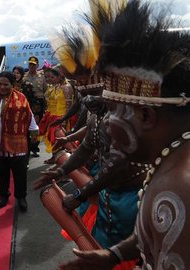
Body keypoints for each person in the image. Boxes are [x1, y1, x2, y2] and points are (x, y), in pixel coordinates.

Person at [59, 1, 190, 268]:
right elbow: (152, 230)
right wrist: (114, 255)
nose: (108, 123)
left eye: (115, 109)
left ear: (145, 116)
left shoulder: (180, 184)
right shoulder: (172, 161)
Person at [0, 71, 38, 211]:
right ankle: (3, 195)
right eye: (0, 84)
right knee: (1, 173)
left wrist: (34, 133)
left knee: (20, 174)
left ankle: (21, 197)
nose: (2, 87)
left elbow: (29, 115)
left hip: (17, 145)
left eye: (5, 84)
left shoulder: (21, 98)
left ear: (12, 85)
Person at [38, 65, 73, 164]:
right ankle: (57, 159)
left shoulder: (66, 87)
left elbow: (69, 105)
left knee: (61, 141)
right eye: (49, 77)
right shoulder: (56, 86)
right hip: (53, 116)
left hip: (62, 117)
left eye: (52, 77)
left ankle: (65, 163)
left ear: (60, 76)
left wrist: (65, 120)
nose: (50, 79)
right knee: (53, 139)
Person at [23, 56, 47, 157]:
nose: (31, 66)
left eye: (33, 64)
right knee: (27, 124)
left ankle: (34, 147)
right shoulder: (24, 76)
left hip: (38, 104)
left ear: (37, 65)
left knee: (36, 125)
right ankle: (28, 146)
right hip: (27, 103)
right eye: (30, 64)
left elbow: (45, 90)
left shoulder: (42, 76)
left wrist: (46, 105)